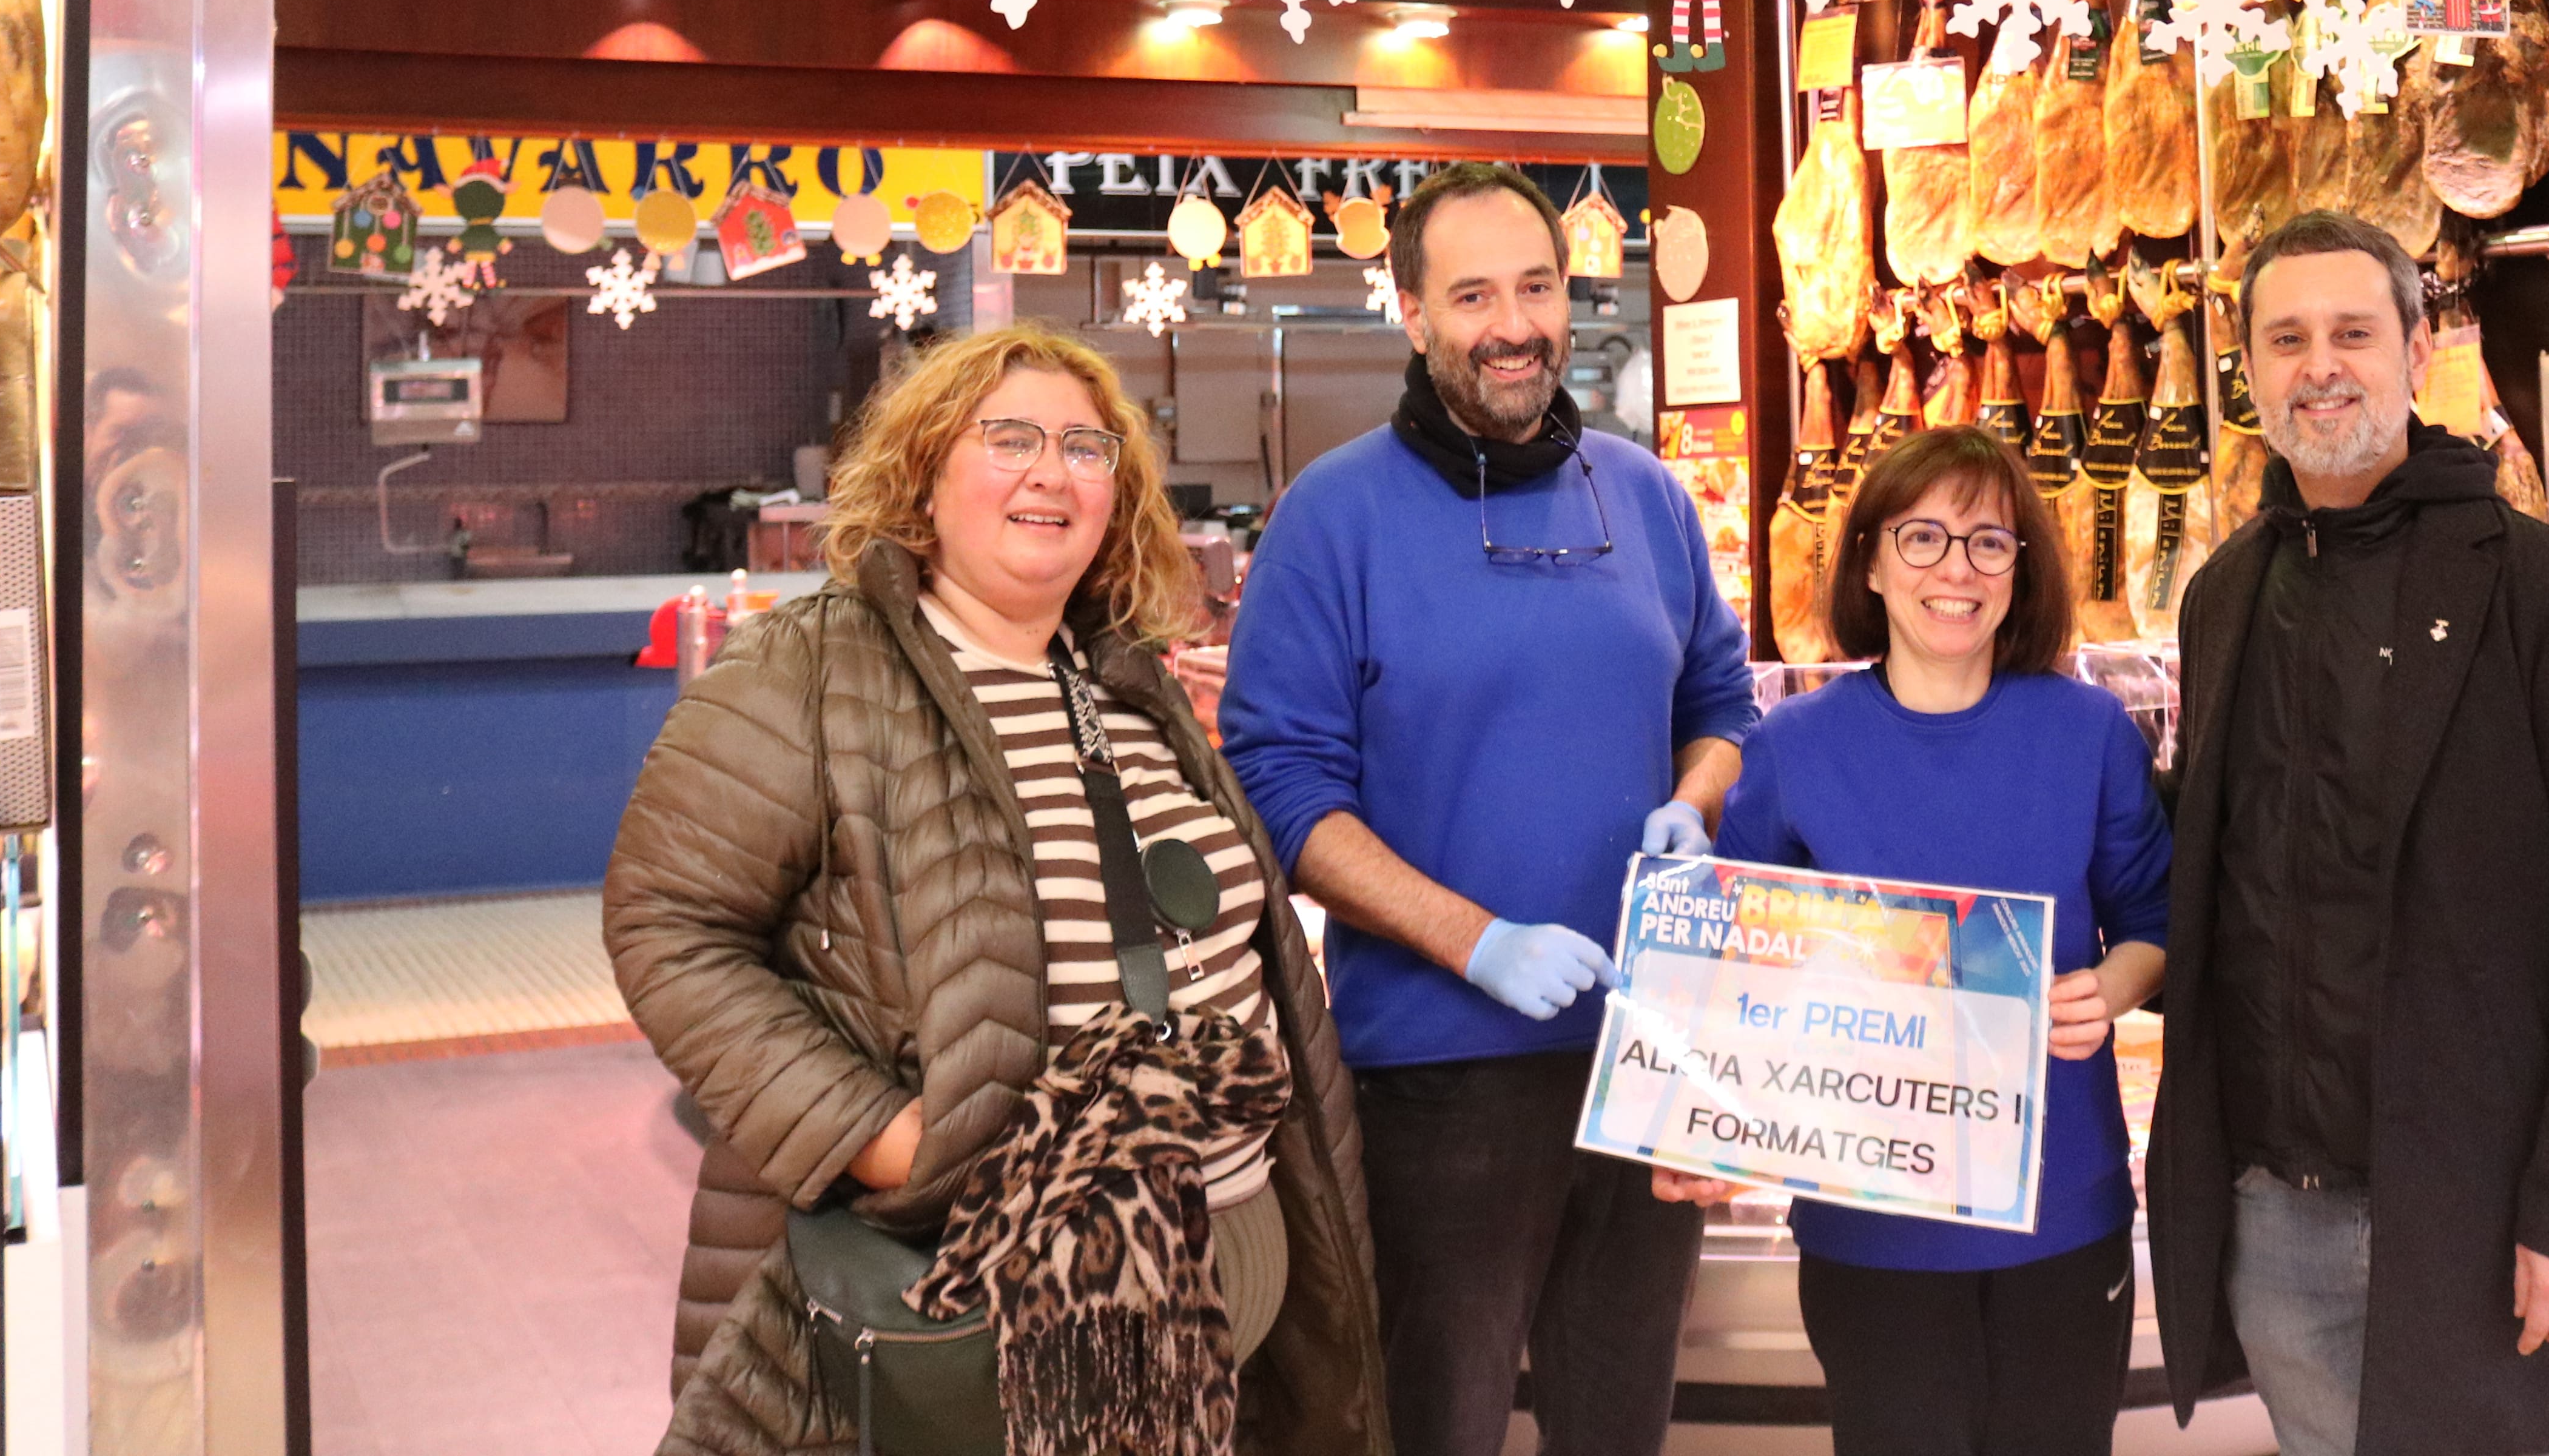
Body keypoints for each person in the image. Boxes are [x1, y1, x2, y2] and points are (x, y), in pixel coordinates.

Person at [602, 324, 1384, 1456]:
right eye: (1008, 437)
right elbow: (667, 927)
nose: (1050, 471)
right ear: (923, 475)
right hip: (976, 1287)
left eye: (1085, 445)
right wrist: (882, 1137)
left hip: (1219, 1273)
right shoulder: (815, 669)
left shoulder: (1121, 677)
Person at [1222, 162, 1757, 1456]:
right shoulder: (1332, 515)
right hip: (1436, 1076)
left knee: (1619, 1420)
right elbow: (1283, 791)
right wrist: (1473, 937)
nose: (1513, 322)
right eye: (1472, 294)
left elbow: (1722, 699)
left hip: (1645, 1054)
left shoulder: (1646, 496)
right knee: (1435, 1423)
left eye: (1536, 286)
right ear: (1411, 311)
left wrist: (1695, 796)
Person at [2150, 212, 2549, 1456]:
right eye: (2285, 338)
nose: (2319, 365)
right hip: (2277, 1216)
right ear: (2246, 367)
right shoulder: (2226, 592)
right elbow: (2214, 870)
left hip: (2477, 1205)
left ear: (2416, 347)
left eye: (2353, 330)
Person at [1662, 424, 2170, 1456]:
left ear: (2021, 572)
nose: (1958, 569)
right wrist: (1697, 1119)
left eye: (1990, 543)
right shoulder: (1793, 746)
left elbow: (2155, 926)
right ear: (1871, 561)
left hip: (2061, 1214)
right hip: (1869, 1229)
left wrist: (2108, 989)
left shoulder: (2091, 733)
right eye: (1925, 538)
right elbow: (1727, 971)